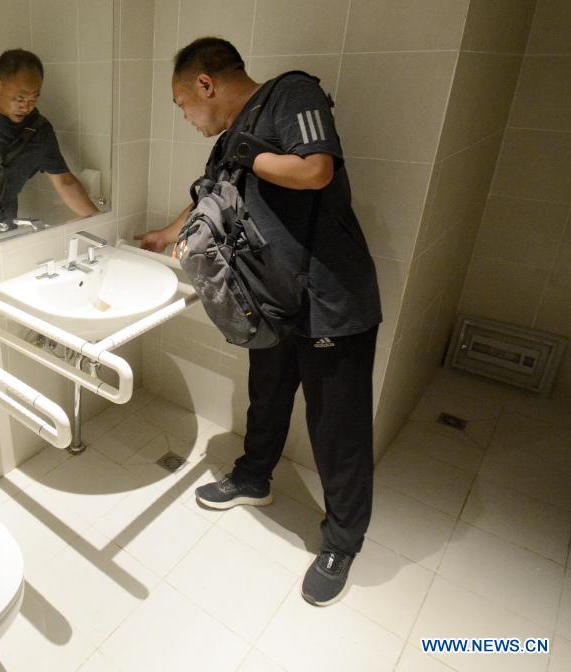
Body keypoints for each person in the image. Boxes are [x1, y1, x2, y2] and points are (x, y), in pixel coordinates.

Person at [135, 37, 382, 607]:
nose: (185, 116)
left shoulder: (290, 94)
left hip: (330, 301)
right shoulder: (230, 141)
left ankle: (342, 540)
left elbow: (316, 169)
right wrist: (164, 236)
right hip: (269, 298)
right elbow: (210, 199)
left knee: (336, 427)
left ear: (205, 84)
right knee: (266, 395)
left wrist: (248, 153)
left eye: (182, 103)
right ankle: (253, 477)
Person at [0, 49, 98, 228]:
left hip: (2, 224)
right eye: (20, 98)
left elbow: (65, 182)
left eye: (33, 99)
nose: (25, 106)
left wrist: (99, 222)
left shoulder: (38, 132)